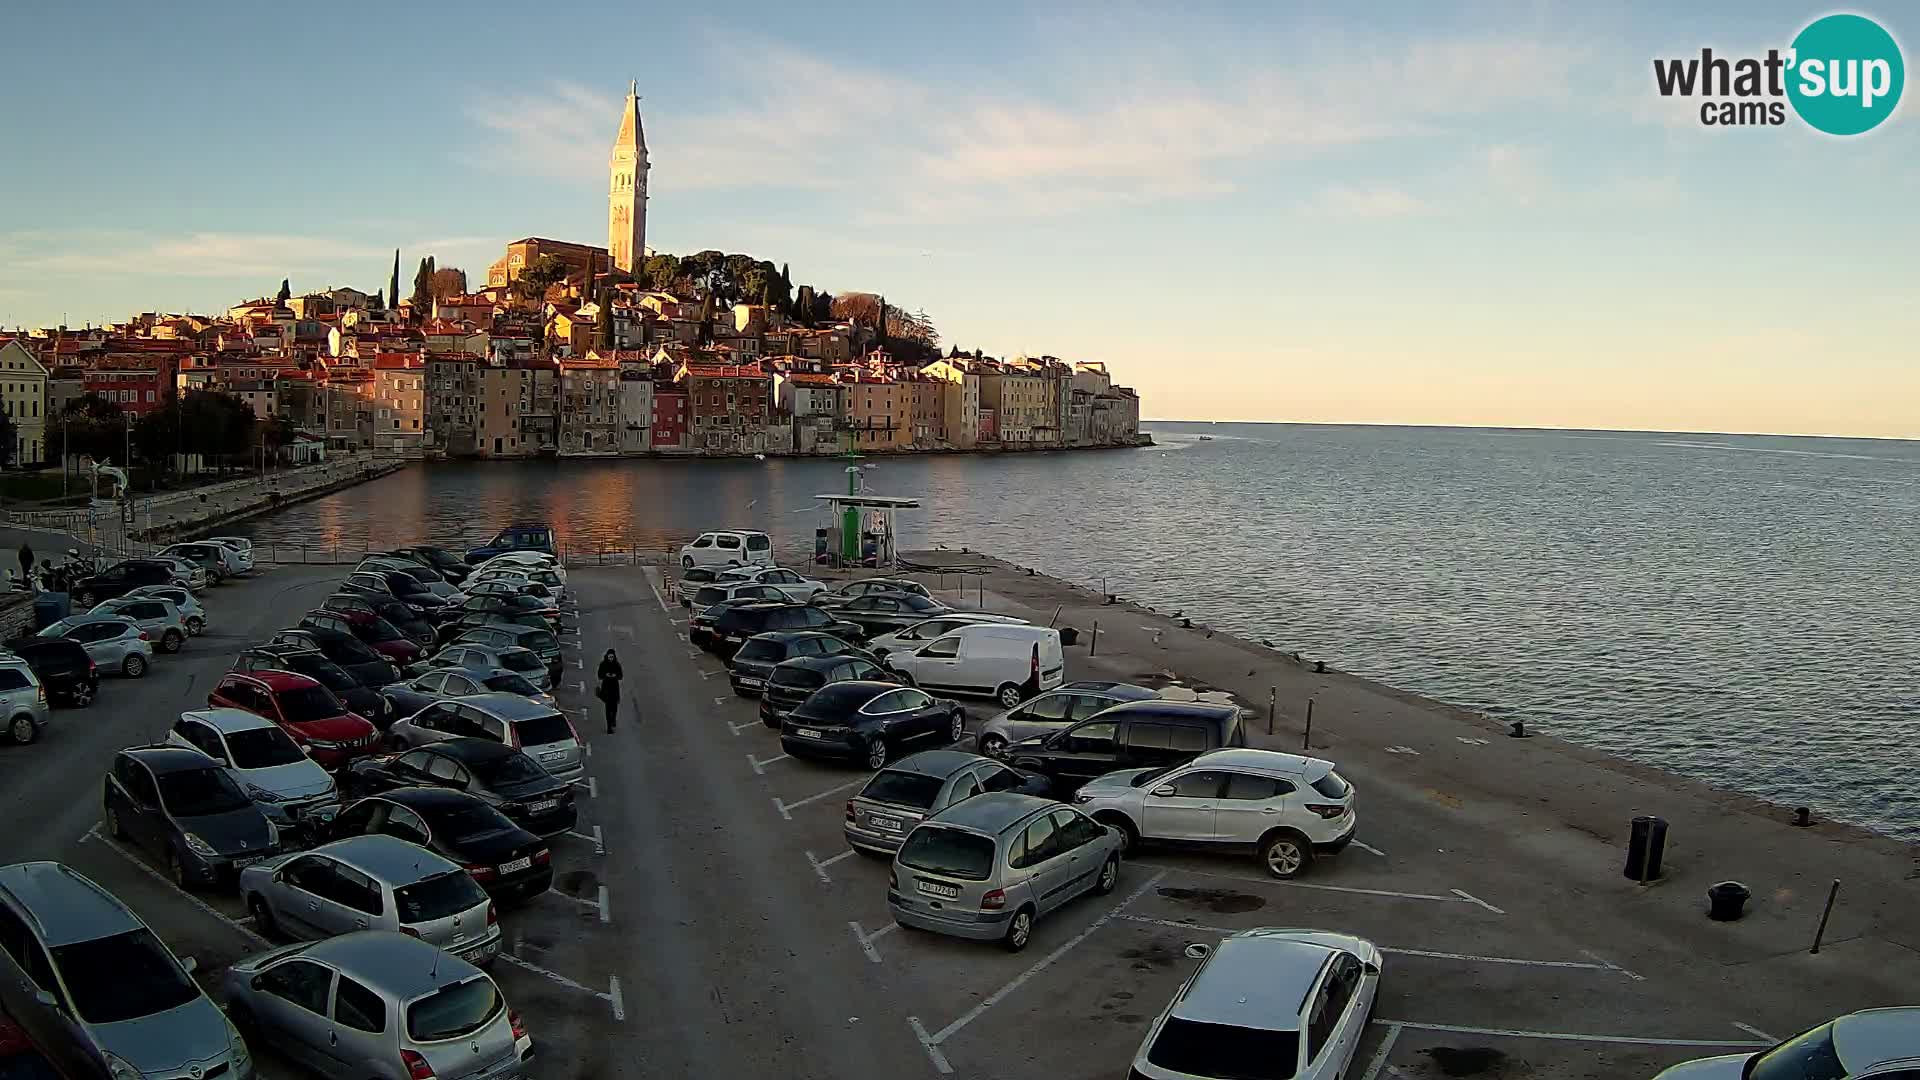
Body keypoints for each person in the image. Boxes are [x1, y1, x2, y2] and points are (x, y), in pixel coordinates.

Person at [596, 649, 624, 734]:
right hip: (606, 688)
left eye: (612, 657)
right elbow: (599, 675)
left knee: (614, 707)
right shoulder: (603, 664)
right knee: (608, 708)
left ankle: (613, 719)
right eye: (609, 657)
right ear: (607, 656)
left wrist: (615, 675)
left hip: (614, 688)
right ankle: (609, 727)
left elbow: (620, 676)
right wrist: (605, 675)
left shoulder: (616, 665)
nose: (611, 658)